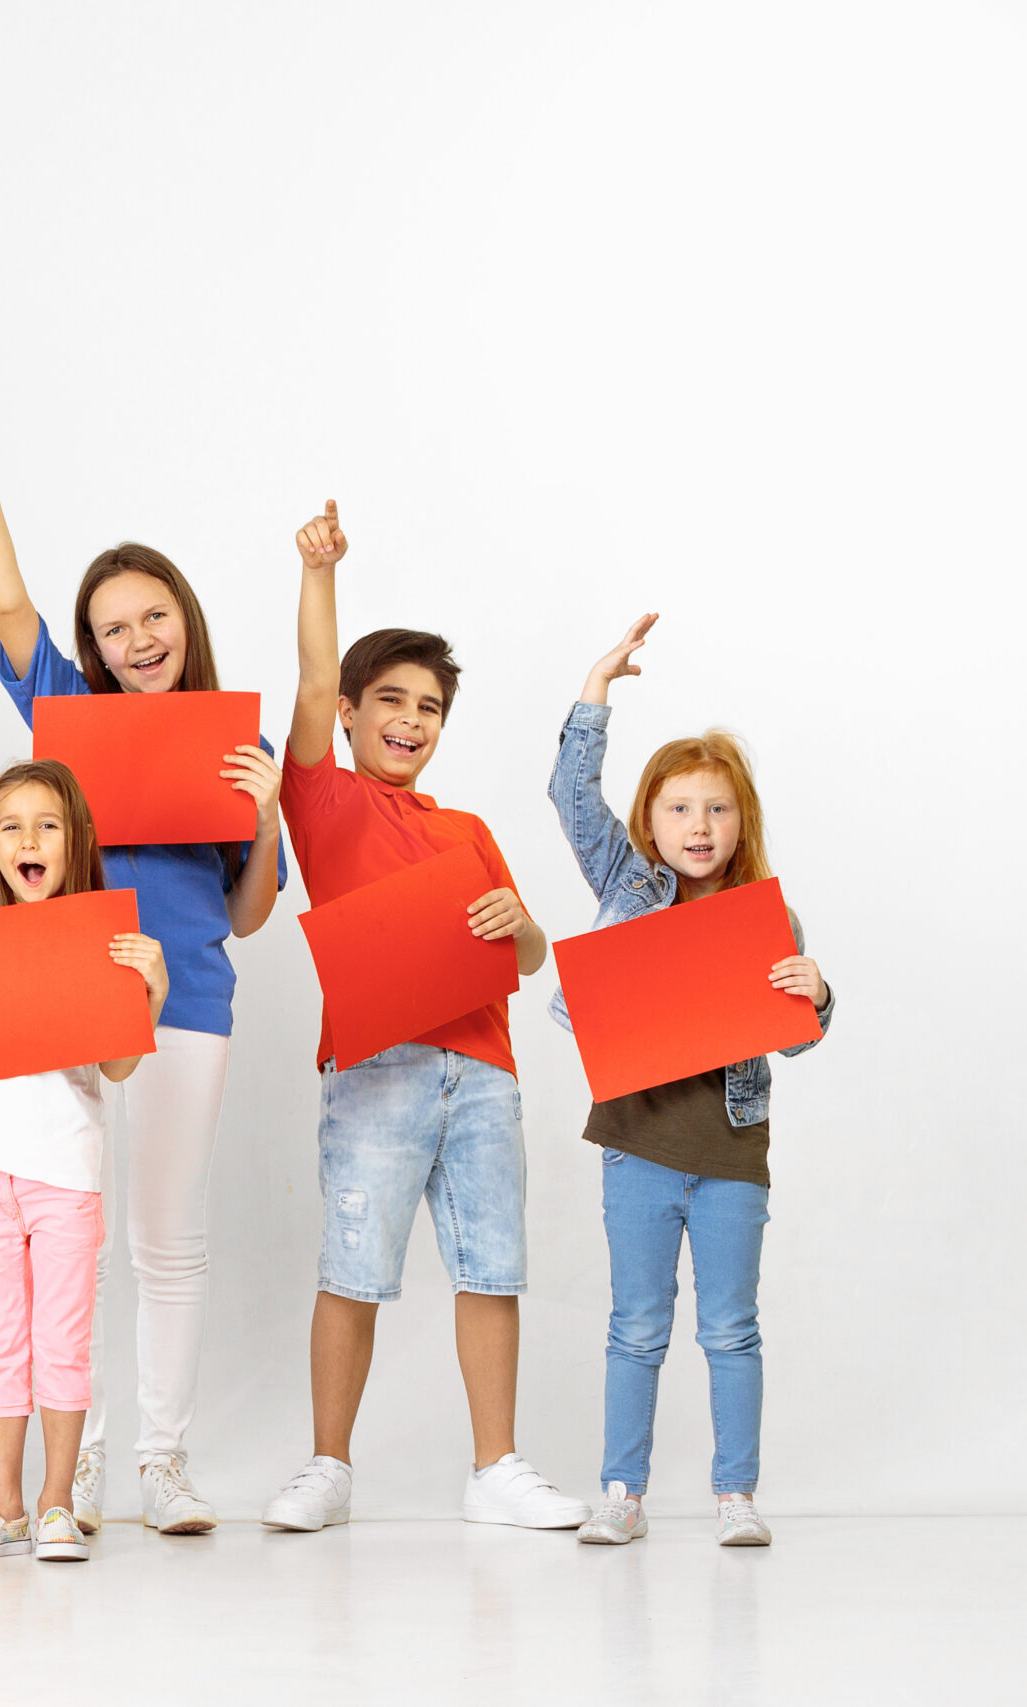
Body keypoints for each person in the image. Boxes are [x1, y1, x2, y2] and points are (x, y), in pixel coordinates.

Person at [0, 390, 287, 1534]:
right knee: (63, 1246)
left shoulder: (234, 740)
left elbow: (245, 913)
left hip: (184, 995)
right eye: (114, 626)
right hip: (63, 996)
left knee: (166, 1238)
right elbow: (4, 600)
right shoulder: (70, 709)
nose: (136, 641)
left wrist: (268, 810)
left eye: (153, 619)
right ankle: (64, 1472)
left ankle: (162, 1462)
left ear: (182, 621)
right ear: (92, 646)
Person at [262, 500, 589, 1534]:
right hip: (374, 1068)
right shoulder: (325, 802)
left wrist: (523, 924)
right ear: (352, 715)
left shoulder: (467, 828)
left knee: (491, 1269)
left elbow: (527, 955)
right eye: (389, 702)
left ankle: (495, 1465)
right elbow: (311, 680)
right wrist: (318, 574)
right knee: (351, 1270)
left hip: (482, 1071)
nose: (409, 721)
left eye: (430, 708)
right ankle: (327, 1466)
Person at [550, 615, 835, 1549]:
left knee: (730, 1329)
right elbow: (571, 796)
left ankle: (734, 1495)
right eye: (679, 809)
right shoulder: (631, 884)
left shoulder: (768, 914)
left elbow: (795, 1037)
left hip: (730, 1155)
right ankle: (621, 1491)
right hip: (637, 1148)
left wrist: (818, 992)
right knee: (636, 1325)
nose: (698, 826)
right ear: (651, 822)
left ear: (740, 819)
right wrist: (595, 690)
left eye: (716, 809)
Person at [0, 651, 168, 1564]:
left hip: (64, 1171)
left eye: (46, 823)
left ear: (73, 839)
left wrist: (153, 990)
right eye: (11, 824)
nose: (28, 838)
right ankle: (3, 1506)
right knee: (0, 1339)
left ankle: (57, 1502)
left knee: (62, 1339)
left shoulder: (100, 934)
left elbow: (123, 1066)